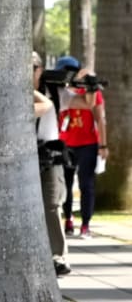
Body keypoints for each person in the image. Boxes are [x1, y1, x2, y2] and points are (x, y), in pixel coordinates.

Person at [56, 56, 107, 239]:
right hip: (65, 142)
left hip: (87, 143)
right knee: (65, 185)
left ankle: (85, 224)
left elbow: (99, 117)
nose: (69, 74)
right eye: (65, 70)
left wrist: (103, 145)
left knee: (86, 184)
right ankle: (68, 219)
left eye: (73, 70)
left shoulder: (90, 91)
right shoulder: (59, 91)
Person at [33, 52, 70, 276]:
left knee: (51, 206)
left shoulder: (54, 92)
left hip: (50, 156)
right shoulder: (14, 92)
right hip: (25, 156)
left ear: (39, 70)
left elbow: (84, 102)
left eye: (31, 68)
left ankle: (58, 256)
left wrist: (90, 83)